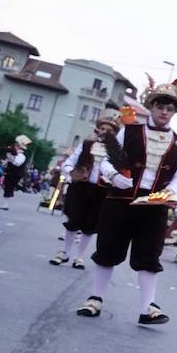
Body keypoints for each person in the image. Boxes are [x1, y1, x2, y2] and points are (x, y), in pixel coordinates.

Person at [75, 78, 177, 324]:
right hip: (121, 199)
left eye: (170, 108)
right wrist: (114, 176)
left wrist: (170, 191)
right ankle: (95, 298)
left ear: (175, 112)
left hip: (154, 205)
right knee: (108, 249)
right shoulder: (130, 131)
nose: (164, 112)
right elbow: (107, 159)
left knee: (149, 255)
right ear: (151, 106)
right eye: (160, 106)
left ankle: (148, 307)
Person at [52, 107, 122, 268]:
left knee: (90, 226)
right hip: (80, 188)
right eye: (102, 128)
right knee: (73, 220)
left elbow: (120, 171)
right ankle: (65, 252)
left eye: (109, 130)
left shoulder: (116, 151)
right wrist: (73, 173)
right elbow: (68, 163)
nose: (104, 132)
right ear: (97, 129)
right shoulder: (86, 144)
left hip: (100, 190)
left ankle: (79, 256)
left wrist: (112, 178)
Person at [0, 135, 29, 211]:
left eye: (17, 145)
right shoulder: (15, 154)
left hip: (15, 174)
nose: (15, 146)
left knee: (9, 188)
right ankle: (5, 204)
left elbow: (17, 163)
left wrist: (11, 158)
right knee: (7, 187)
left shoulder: (21, 155)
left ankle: (6, 204)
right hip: (10, 173)